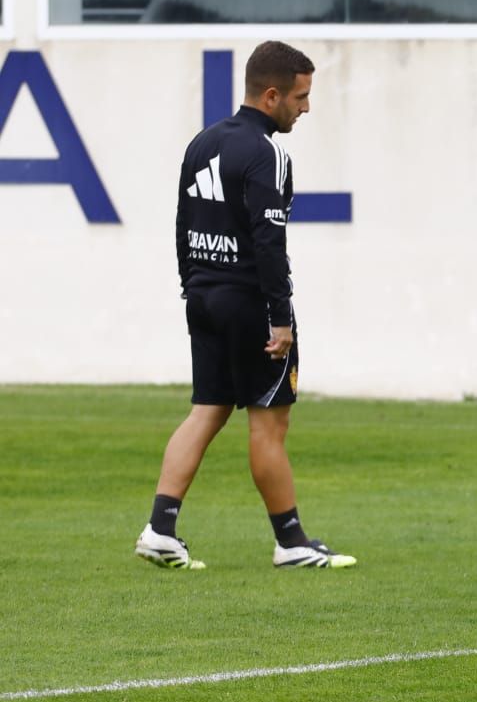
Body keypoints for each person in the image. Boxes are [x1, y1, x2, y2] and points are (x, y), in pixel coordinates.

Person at [134, 41, 356, 572]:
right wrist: (280, 317)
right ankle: (291, 541)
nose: (305, 108)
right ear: (271, 94)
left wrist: (193, 285)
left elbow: (182, 224)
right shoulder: (267, 153)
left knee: (207, 409)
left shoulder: (203, 142)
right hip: (250, 305)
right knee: (268, 424)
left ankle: (159, 529)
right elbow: (267, 240)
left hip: (205, 297)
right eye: (300, 97)